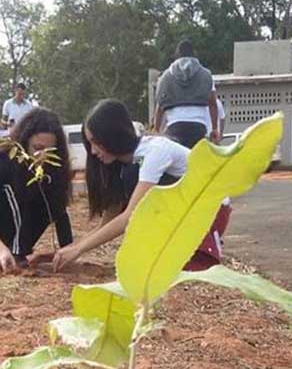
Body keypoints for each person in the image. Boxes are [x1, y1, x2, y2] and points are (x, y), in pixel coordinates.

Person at [52, 98, 228, 274]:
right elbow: (107, 224)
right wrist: (70, 249)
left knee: (165, 271)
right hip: (181, 210)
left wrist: (78, 250)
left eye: (96, 142)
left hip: (210, 209)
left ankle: (201, 250)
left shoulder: (154, 151)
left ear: (113, 135)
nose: (92, 151)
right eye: (89, 143)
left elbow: (131, 216)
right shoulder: (122, 166)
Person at [0, 107, 73, 275]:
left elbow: (59, 210)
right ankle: (13, 252)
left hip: (10, 213)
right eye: (37, 147)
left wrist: (68, 250)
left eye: (50, 151)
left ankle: (18, 249)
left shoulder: (53, 168)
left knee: (48, 197)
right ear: (24, 142)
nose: (42, 156)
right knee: (11, 192)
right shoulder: (1, 161)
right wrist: (2, 251)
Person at [153, 40, 220, 149]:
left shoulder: (165, 77)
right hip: (198, 127)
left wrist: (156, 130)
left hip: (174, 128)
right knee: (196, 162)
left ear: (176, 56)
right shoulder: (206, 75)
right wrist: (214, 129)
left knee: (177, 163)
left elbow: (159, 106)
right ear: (194, 54)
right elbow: (213, 103)